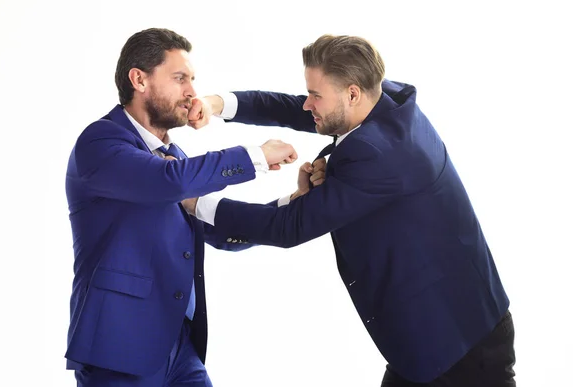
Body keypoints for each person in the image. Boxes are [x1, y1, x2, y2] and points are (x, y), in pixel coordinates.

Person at [185, 34, 516, 386]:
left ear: (353, 93)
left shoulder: (379, 154)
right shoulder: (387, 100)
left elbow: (288, 227)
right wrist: (218, 104)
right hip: (430, 333)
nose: (307, 103)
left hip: (458, 344)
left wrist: (192, 200)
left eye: (315, 95)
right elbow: (295, 109)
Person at [64, 27, 298, 387]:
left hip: (180, 347)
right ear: (139, 79)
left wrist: (293, 203)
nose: (191, 92)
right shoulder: (100, 142)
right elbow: (167, 181)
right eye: (180, 78)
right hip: (119, 346)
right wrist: (256, 157)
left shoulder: (175, 158)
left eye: (192, 80)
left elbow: (221, 228)